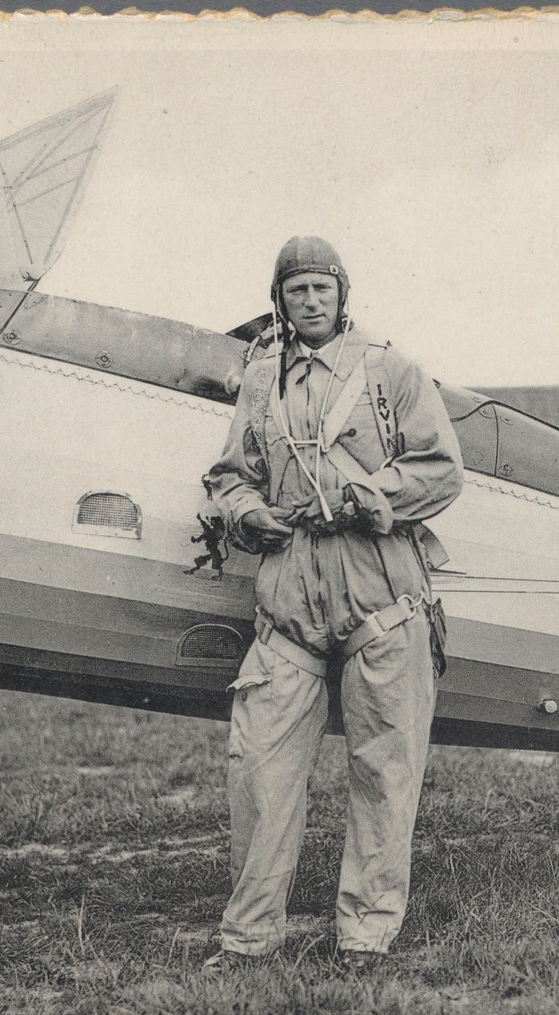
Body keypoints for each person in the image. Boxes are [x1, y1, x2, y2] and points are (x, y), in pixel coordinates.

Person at [201, 236, 464, 968]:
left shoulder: (390, 370)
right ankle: (249, 939)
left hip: (382, 593)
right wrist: (248, 512)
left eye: (322, 289)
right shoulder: (260, 383)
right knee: (258, 771)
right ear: (278, 301)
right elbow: (229, 476)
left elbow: (442, 471)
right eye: (295, 291)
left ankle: (366, 936)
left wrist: (364, 497)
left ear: (342, 293)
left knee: (384, 771)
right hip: (289, 596)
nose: (310, 302)